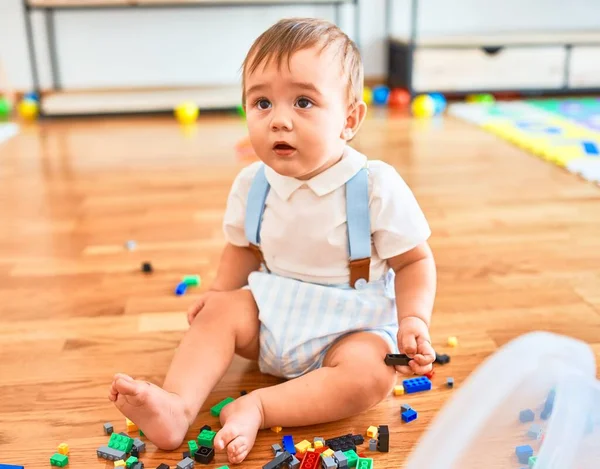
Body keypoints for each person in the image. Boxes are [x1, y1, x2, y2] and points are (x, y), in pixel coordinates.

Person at [109, 17, 436, 464]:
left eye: (303, 101)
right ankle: (177, 405)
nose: (279, 120)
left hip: (350, 324)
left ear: (350, 118)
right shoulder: (252, 183)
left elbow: (414, 262)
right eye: (262, 103)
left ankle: (260, 406)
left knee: (372, 375)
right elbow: (242, 249)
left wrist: (413, 319)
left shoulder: (374, 185)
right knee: (219, 312)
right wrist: (221, 295)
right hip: (272, 313)